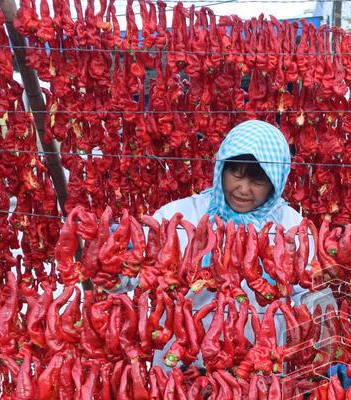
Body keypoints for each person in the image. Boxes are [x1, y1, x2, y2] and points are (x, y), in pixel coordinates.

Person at [115, 120, 334, 368]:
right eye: (235, 175)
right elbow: (128, 282)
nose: (242, 189)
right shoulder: (181, 215)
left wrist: (325, 324)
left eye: (257, 182)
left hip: (257, 362)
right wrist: (117, 261)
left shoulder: (290, 226)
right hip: (181, 360)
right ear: (221, 169)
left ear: (275, 182)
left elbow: (311, 290)